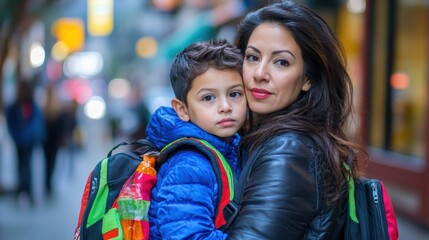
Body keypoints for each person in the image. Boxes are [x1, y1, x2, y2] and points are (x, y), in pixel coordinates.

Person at [225, 1, 365, 239]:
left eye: (281, 62)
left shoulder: (288, 151)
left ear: (307, 79)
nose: (260, 73)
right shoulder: (271, 138)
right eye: (252, 57)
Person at [147, 39, 246, 239]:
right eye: (208, 98)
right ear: (183, 110)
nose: (225, 106)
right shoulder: (190, 167)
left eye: (234, 94)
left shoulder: (230, 147)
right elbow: (189, 236)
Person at [5, 79, 45, 207]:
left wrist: (26, 137)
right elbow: (11, 124)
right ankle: (22, 191)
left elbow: (35, 125)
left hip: (28, 141)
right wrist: (17, 136)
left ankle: (27, 191)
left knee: (27, 166)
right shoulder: (14, 106)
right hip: (20, 141)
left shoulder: (33, 106)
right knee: (20, 165)